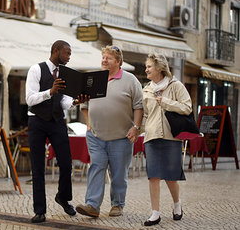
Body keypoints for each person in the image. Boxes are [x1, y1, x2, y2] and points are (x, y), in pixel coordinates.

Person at [76, 45, 143, 218]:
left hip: (121, 137)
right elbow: (84, 105)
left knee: (118, 173)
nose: (104, 60)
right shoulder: (93, 79)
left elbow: (138, 106)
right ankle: (92, 205)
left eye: (109, 58)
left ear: (119, 62)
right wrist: (89, 124)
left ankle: (117, 205)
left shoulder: (130, 80)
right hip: (96, 136)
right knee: (96, 167)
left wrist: (135, 128)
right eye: (103, 57)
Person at [25, 40, 88, 223]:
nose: (69, 57)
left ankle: (63, 197)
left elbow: (64, 101)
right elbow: (29, 99)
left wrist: (75, 102)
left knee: (66, 163)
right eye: (67, 53)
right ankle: (40, 210)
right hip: (36, 121)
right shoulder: (36, 70)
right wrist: (50, 92)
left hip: (57, 121)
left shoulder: (65, 74)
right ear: (56, 50)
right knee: (38, 167)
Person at [142, 53, 188, 226]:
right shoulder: (146, 89)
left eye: (149, 66)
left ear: (159, 68)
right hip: (152, 136)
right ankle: (155, 213)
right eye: (146, 66)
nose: (146, 69)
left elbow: (187, 107)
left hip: (172, 136)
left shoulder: (176, 86)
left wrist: (166, 102)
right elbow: (146, 115)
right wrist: (139, 130)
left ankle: (177, 204)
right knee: (153, 175)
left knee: (170, 176)